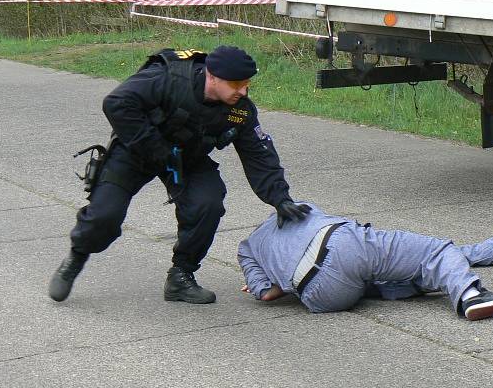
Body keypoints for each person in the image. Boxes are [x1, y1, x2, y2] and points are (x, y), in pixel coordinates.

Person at [49, 45, 311, 304]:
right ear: (212, 76)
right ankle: (77, 256)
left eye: (246, 84)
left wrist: (280, 197)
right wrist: (156, 148)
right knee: (105, 215)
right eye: (235, 85)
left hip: (186, 158)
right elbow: (117, 103)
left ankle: (181, 276)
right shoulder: (168, 79)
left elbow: (259, 154)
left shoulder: (241, 110)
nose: (243, 91)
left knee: (207, 203)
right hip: (138, 149)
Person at [238, 203, 493, 321]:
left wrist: (276, 281)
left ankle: (429, 283)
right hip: (340, 246)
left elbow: (266, 295)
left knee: (373, 281)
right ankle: (471, 297)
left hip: (320, 297)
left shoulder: (248, 248)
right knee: (436, 251)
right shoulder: (290, 205)